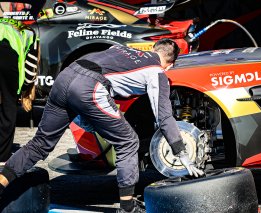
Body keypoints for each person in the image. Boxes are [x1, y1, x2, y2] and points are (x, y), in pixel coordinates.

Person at [0, 39, 204, 212]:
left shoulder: (120, 48)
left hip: (66, 76)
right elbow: (165, 118)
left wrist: (87, 116)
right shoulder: (157, 73)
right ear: (170, 64)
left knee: (40, 143)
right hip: (89, 87)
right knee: (128, 141)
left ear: (153, 49)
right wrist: (183, 156)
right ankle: (128, 207)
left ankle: (1, 183)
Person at [0, 17, 39, 162]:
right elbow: (31, 65)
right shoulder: (30, 33)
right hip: (8, 56)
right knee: (9, 105)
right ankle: (2, 154)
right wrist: (24, 89)